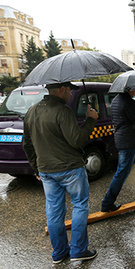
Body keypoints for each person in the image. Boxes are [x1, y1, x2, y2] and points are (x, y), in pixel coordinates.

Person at [23, 81, 99, 264]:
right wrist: (90, 120)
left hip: (46, 170)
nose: (71, 94)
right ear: (62, 89)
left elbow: (27, 144)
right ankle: (79, 251)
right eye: (70, 91)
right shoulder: (64, 112)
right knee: (80, 205)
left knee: (54, 211)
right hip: (70, 168)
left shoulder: (31, 111)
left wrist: (37, 168)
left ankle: (59, 253)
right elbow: (76, 140)